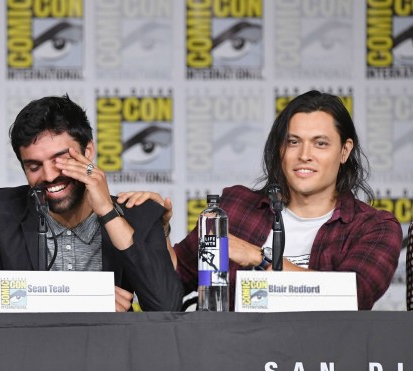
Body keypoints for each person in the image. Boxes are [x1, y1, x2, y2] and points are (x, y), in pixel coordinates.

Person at [119, 90, 402, 310]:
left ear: (344, 151)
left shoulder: (375, 227)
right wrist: (159, 231)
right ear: (280, 149)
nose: (305, 155)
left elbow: (353, 296)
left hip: (319, 363)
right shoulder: (235, 206)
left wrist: (258, 257)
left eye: (320, 143)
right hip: (231, 356)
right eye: (293, 142)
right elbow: (174, 281)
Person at [0, 94, 182, 311]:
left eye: (60, 160)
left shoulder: (138, 213)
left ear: (88, 152)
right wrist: (87, 297)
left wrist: (108, 212)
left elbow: (167, 308)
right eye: (34, 167)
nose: (49, 176)